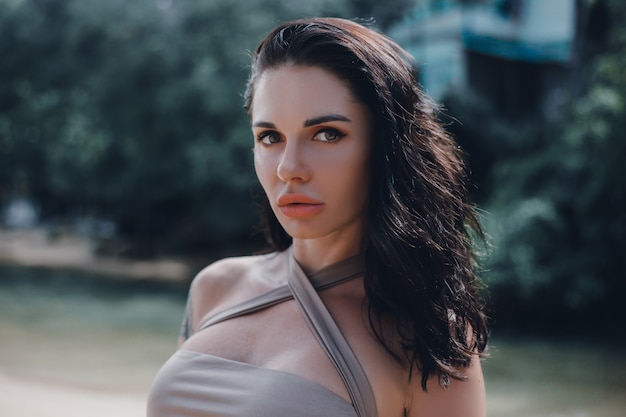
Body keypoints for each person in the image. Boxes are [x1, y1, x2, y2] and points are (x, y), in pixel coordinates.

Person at [147, 17, 488, 417]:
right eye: (270, 137)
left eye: (326, 134)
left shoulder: (425, 337)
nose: (289, 168)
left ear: (385, 149)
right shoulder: (216, 288)